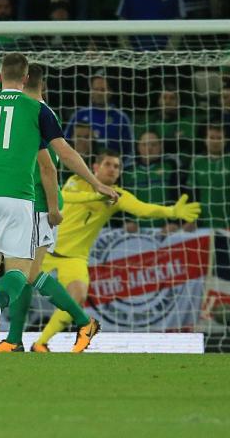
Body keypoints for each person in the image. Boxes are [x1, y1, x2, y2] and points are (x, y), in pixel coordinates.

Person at [0, 53, 118, 352]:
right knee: (20, 272)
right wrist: (96, 183)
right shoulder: (38, 111)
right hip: (19, 198)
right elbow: (64, 154)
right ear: (25, 79)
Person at [29, 148, 200, 351]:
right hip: (45, 250)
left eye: (117, 167)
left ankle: (41, 343)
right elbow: (64, 196)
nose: (112, 169)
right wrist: (98, 196)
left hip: (74, 258)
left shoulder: (117, 196)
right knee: (13, 285)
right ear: (95, 167)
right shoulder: (77, 180)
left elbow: (143, 209)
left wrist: (172, 211)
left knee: (78, 296)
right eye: (108, 164)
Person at [187, 126, 230, 230]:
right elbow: (192, 194)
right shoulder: (196, 161)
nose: (215, 142)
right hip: (204, 225)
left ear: (225, 141)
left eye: (219, 138)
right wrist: (190, 220)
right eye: (212, 137)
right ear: (205, 140)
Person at [64, 74, 135, 158]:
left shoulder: (121, 118)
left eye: (102, 90)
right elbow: (66, 142)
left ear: (110, 92)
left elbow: (129, 149)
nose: (99, 93)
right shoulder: (79, 115)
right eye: (95, 89)